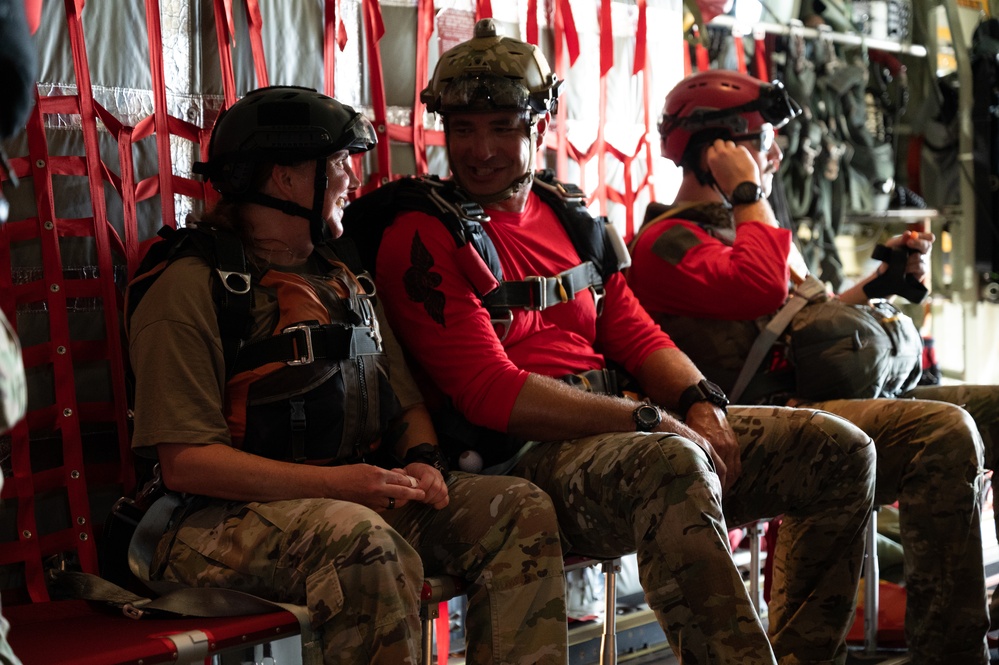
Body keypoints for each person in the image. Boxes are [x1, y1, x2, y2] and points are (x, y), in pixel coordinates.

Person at [367, 19, 877, 665]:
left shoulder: (568, 216)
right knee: (667, 463)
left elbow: (632, 327)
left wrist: (698, 400)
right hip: (522, 458)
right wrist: (649, 419)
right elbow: (487, 391)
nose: (480, 148)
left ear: (540, 123)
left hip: (629, 432)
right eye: (462, 128)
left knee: (836, 449)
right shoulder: (422, 233)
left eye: (501, 126)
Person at [126, 85, 568, 665]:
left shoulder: (343, 277)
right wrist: (338, 487)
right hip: (212, 523)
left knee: (518, 509)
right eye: (339, 164)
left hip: (348, 500)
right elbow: (186, 461)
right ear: (286, 178)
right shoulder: (192, 285)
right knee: (362, 543)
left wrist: (426, 462)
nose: (352, 181)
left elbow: (404, 404)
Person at [626, 68, 995, 665]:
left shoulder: (748, 226)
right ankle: (950, 653)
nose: (772, 155)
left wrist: (882, 283)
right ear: (713, 151)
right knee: (943, 432)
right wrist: (749, 195)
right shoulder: (666, 243)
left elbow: (797, 312)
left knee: (991, 411)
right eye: (760, 141)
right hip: (767, 420)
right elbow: (755, 288)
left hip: (822, 398)